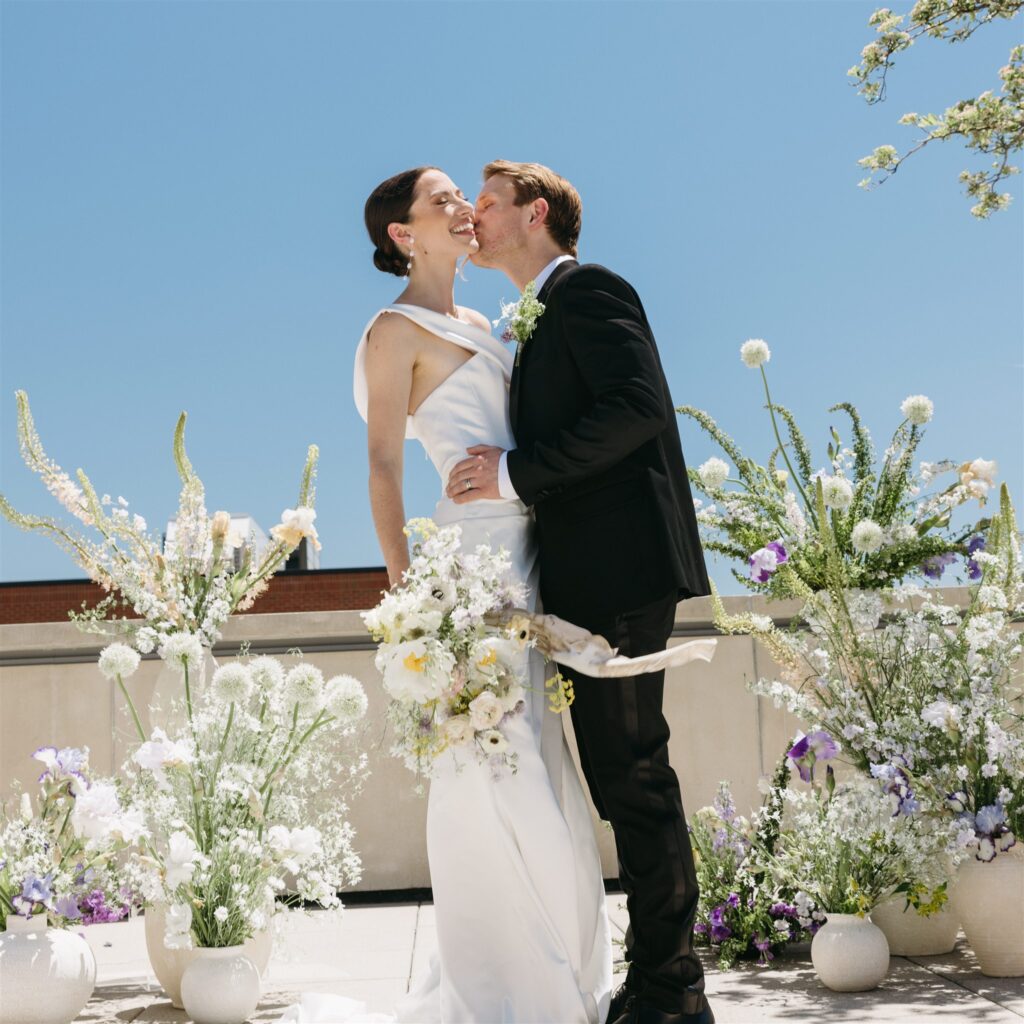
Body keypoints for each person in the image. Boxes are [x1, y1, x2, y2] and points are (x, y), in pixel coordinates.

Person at [279, 166, 613, 1024]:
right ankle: (503, 987)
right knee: (484, 762)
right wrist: (406, 600)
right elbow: (383, 466)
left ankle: (566, 973)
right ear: (403, 234)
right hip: (465, 572)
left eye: (465, 197)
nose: (464, 209)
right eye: (442, 201)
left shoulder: (492, 324)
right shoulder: (393, 332)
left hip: (534, 557)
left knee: (539, 755)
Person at [444, 161, 713, 1024]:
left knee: (635, 778)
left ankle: (673, 994)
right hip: (583, 585)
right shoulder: (529, 323)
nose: (474, 217)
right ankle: (655, 980)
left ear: (536, 213)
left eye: (486, 203)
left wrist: (514, 473)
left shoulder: (590, 288)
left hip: (625, 573)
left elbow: (636, 407)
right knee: (617, 777)